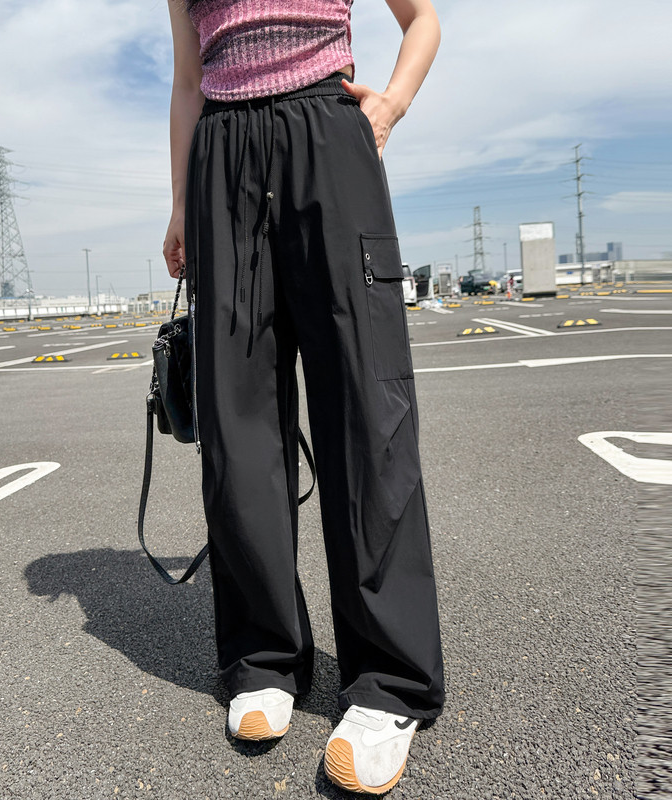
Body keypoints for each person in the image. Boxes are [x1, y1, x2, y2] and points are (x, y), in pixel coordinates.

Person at [163, 0, 444, 793]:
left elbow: (422, 17)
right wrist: (182, 201)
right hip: (221, 151)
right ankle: (263, 657)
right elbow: (188, 79)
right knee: (237, 419)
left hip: (327, 131)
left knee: (365, 406)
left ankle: (390, 679)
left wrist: (390, 103)